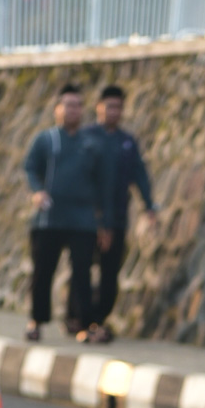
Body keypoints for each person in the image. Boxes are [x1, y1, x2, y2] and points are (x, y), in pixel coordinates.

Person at [22, 84, 113, 342]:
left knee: (82, 273)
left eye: (78, 105)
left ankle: (84, 324)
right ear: (57, 109)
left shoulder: (91, 144)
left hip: (82, 221)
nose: (74, 110)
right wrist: (37, 191)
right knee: (43, 272)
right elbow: (30, 168)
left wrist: (104, 223)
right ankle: (36, 320)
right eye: (69, 105)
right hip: (49, 219)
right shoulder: (46, 140)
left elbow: (103, 185)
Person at [84, 84, 158, 343]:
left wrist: (149, 205)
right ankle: (79, 318)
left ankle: (98, 319)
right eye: (110, 106)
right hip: (87, 218)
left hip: (117, 217)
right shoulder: (87, 138)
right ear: (99, 107)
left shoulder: (126, 142)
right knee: (82, 269)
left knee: (110, 272)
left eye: (118, 107)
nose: (114, 111)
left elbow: (140, 175)